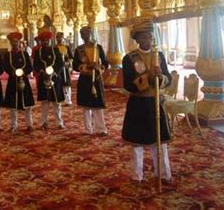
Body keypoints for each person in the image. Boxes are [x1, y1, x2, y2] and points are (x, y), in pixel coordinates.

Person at [121, 19, 172, 184]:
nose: (147, 40)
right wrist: (147, 78)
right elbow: (128, 85)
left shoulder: (160, 55)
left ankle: (164, 174)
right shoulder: (129, 58)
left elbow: (168, 79)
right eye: (143, 37)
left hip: (155, 102)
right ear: (137, 39)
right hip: (138, 104)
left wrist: (160, 77)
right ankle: (137, 175)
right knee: (137, 142)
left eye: (149, 37)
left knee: (160, 141)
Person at [72, 26, 109, 135]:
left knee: (98, 105)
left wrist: (98, 67)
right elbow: (75, 65)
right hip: (84, 79)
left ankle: (101, 129)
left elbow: (105, 63)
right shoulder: (79, 50)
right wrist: (86, 66)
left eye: (87, 34)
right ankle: (88, 129)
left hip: (96, 78)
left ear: (91, 34)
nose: (85, 36)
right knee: (86, 106)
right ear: (81, 36)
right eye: (83, 34)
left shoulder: (98, 47)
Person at [2, 32, 35, 133]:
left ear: (19, 42)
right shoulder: (7, 55)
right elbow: (6, 67)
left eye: (16, 41)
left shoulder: (24, 54)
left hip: (24, 80)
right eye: (13, 42)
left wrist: (23, 73)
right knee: (13, 105)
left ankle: (29, 124)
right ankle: (13, 125)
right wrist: (14, 73)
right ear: (10, 43)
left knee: (27, 104)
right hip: (12, 80)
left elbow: (30, 67)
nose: (15, 43)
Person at [33, 30, 65, 130]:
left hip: (55, 78)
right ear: (41, 41)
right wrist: (42, 71)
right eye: (43, 40)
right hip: (43, 79)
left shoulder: (55, 50)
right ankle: (44, 123)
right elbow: (36, 65)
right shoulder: (38, 52)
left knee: (56, 103)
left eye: (47, 40)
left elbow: (60, 63)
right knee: (44, 103)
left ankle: (59, 123)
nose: (45, 42)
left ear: (49, 40)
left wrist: (54, 72)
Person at [55, 31, 74, 106]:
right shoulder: (54, 48)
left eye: (60, 37)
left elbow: (71, 57)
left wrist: (69, 62)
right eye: (58, 37)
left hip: (65, 68)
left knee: (67, 84)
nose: (59, 39)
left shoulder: (66, 47)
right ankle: (59, 99)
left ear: (63, 38)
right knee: (58, 83)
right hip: (57, 69)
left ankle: (68, 100)